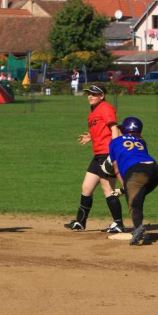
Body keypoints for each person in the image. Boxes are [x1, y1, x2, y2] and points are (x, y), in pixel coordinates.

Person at [64, 85, 125, 233]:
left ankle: (118, 224)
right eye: (89, 94)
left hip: (107, 153)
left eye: (94, 94)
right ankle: (80, 222)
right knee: (86, 187)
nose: (90, 96)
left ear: (102, 96)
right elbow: (102, 129)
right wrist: (91, 136)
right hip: (98, 155)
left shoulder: (105, 107)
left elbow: (114, 128)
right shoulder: (94, 110)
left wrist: (113, 153)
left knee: (108, 189)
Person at [109, 117, 158, 246]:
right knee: (138, 196)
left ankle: (138, 229)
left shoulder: (115, 142)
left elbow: (116, 169)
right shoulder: (141, 141)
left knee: (134, 203)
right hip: (155, 171)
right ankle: (138, 228)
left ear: (124, 129)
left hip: (137, 171)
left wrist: (124, 186)